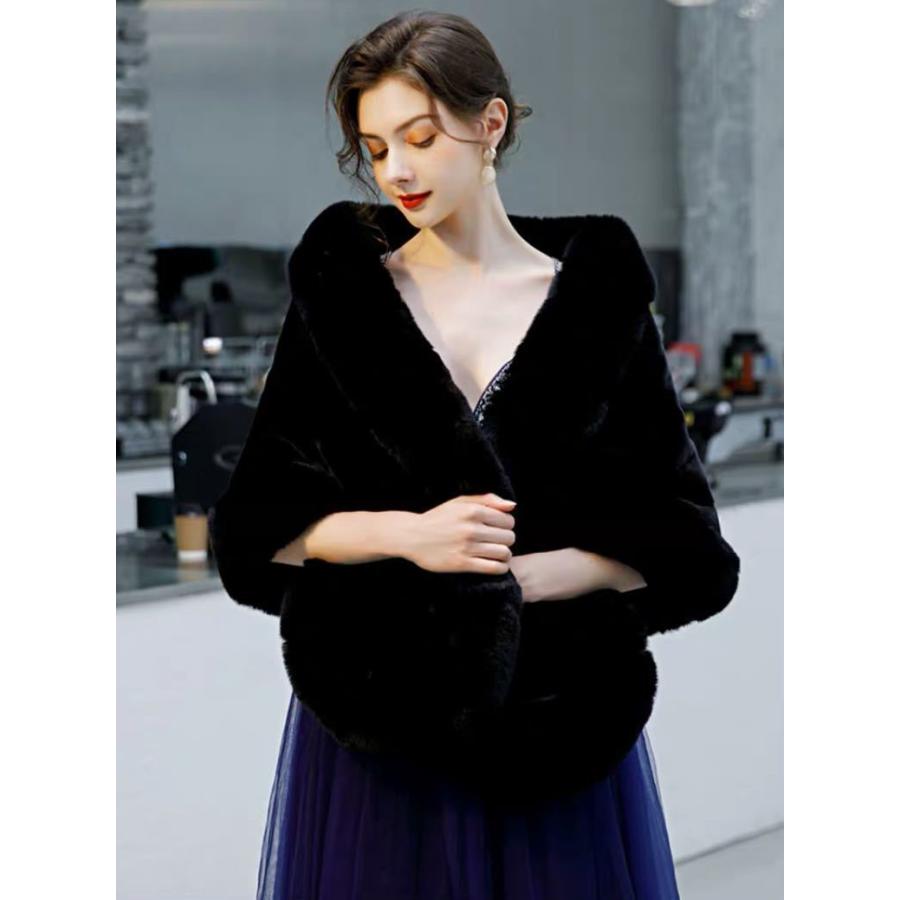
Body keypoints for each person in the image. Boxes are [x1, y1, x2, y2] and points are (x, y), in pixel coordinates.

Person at [210, 11, 731, 898]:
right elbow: (257, 530)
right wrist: (411, 538)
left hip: (557, 721)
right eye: (376, 148)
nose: (397, 171)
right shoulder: (343, 300)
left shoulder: (597, 305)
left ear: (490, 123)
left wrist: (540, 575)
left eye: (420, 137)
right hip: (380, 719)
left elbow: (686, 543)